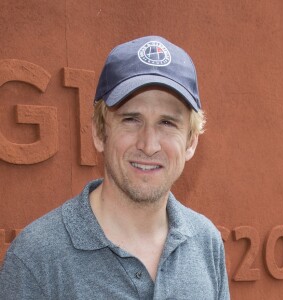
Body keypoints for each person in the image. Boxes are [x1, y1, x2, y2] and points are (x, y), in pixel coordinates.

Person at [0, 36, 230, 299]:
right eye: (131, 119)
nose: (149, 144)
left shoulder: (206, 242)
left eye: (167, 123)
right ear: (99, 132)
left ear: (191, 141)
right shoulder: (35, 260)